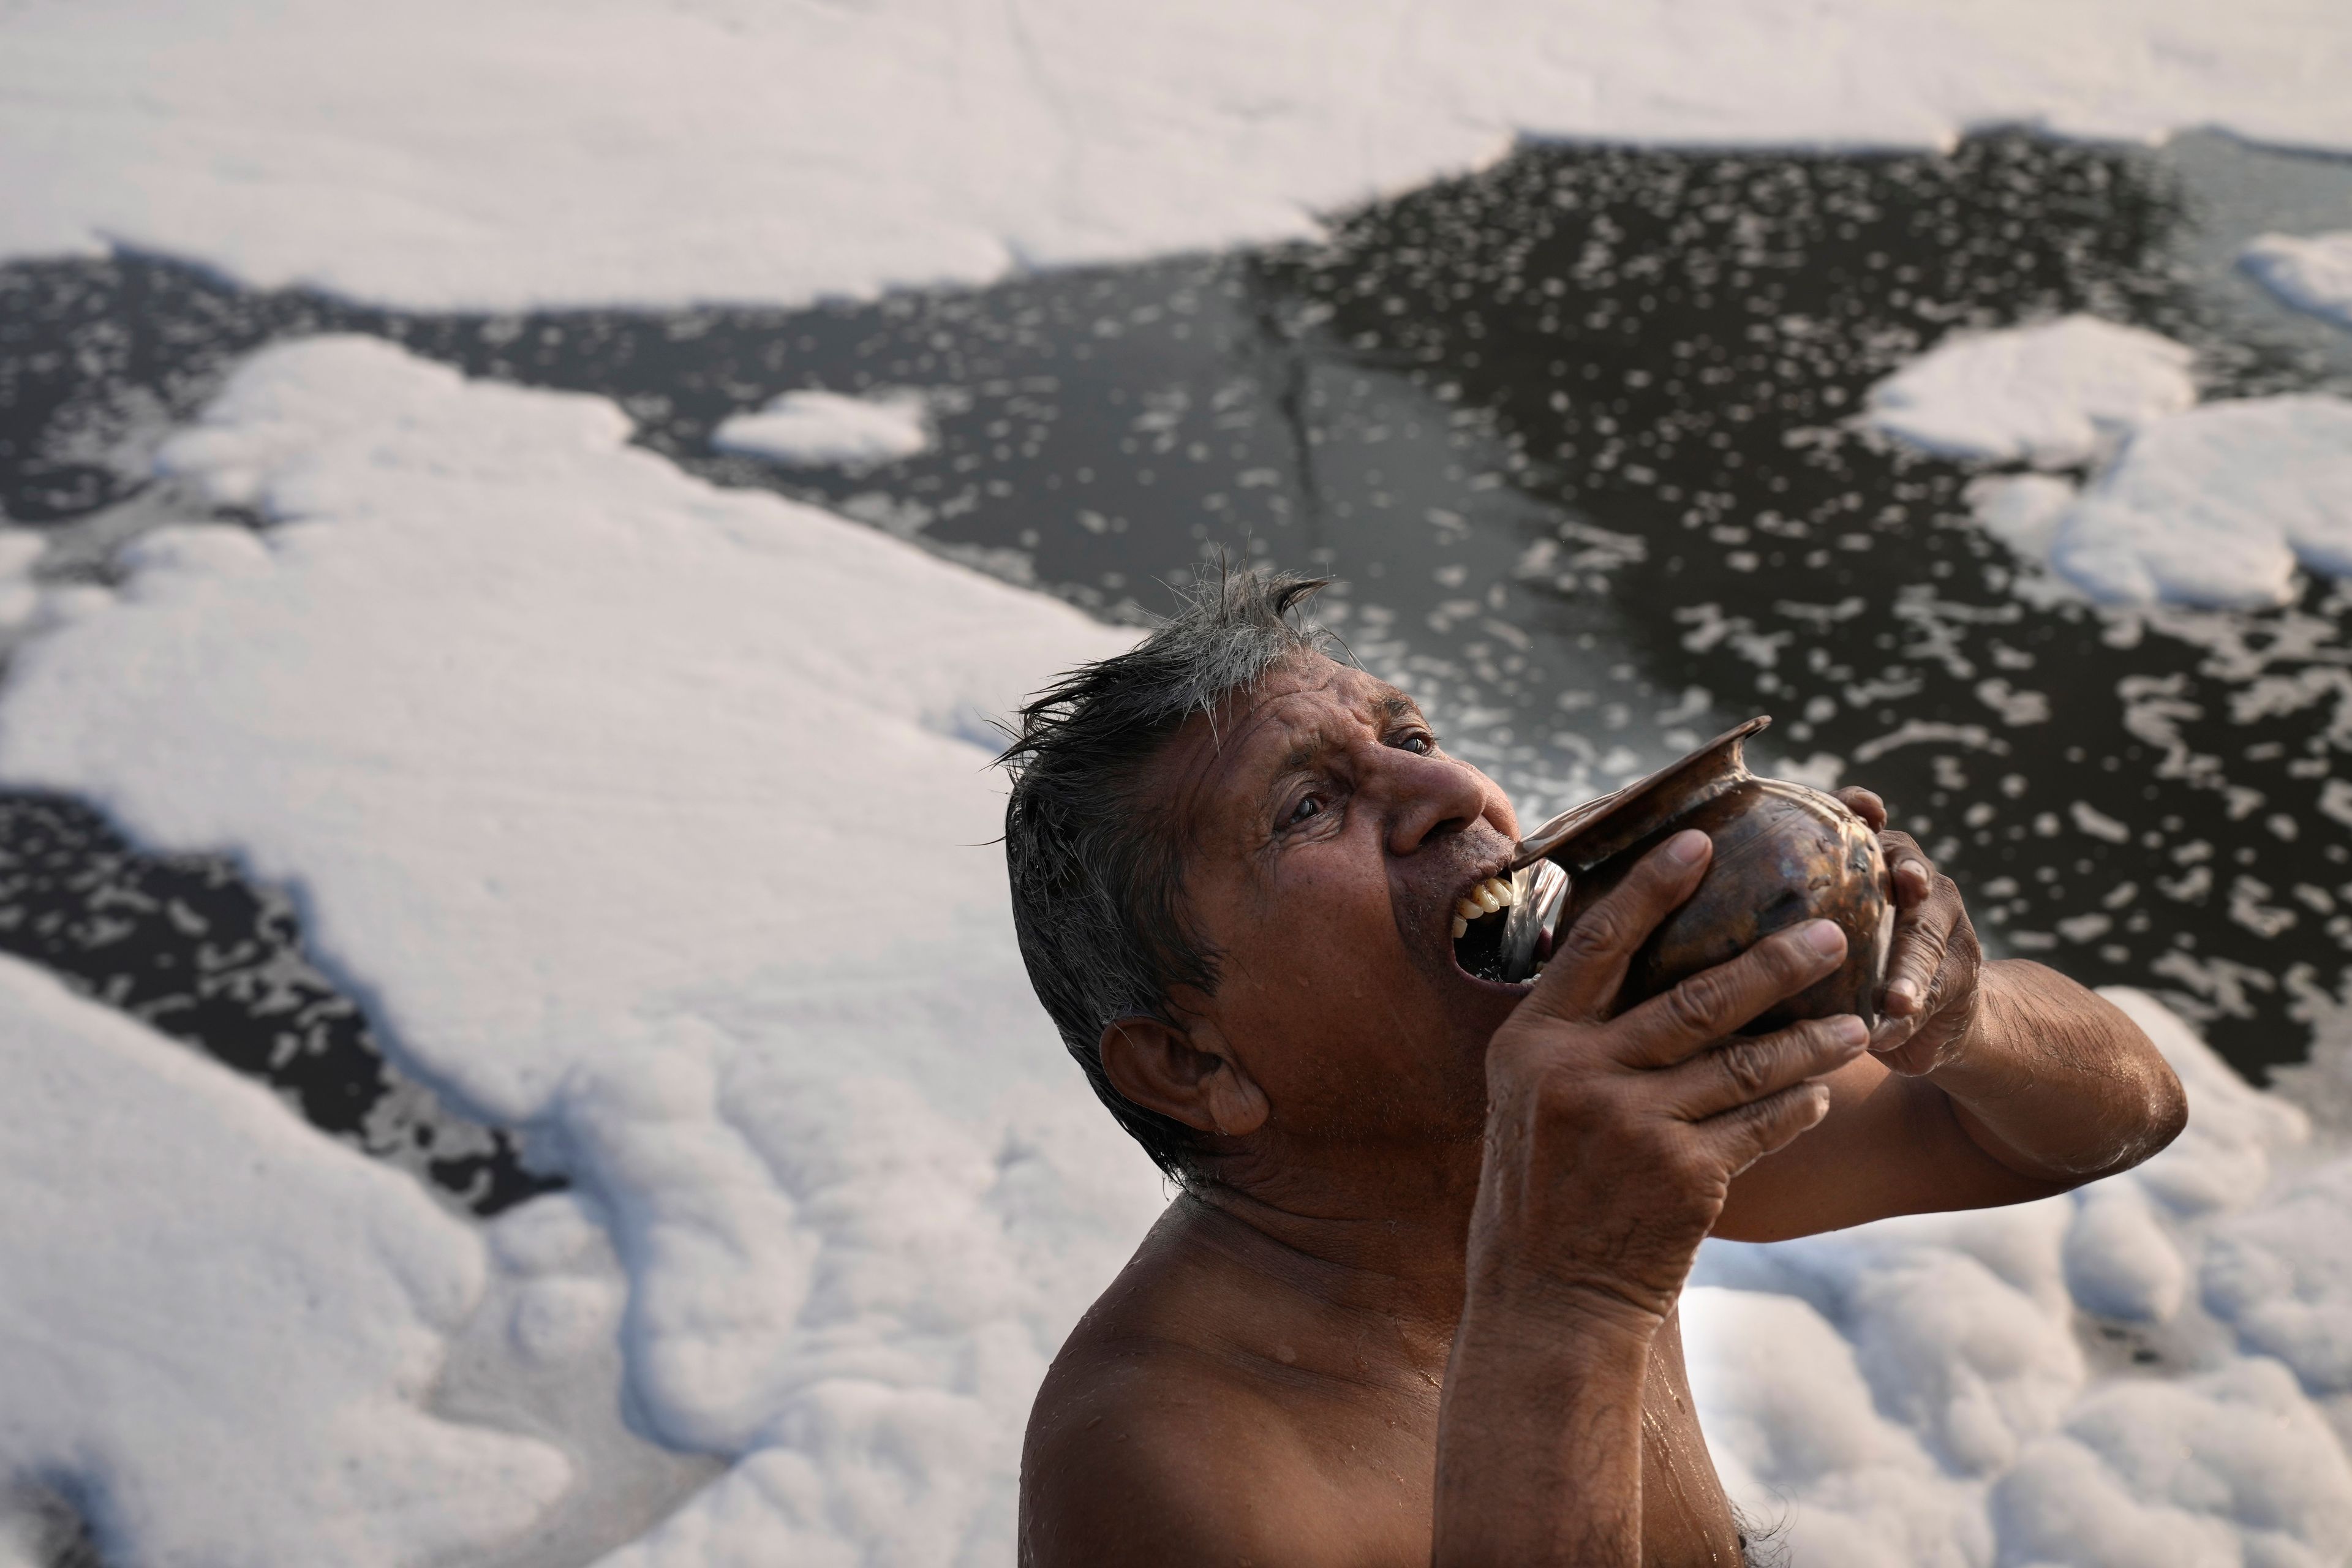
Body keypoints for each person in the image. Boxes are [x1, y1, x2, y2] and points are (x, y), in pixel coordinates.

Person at [998, 570, 2185, 1567]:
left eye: (1411, 736)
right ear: (1191, 1058)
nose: (1455, 792)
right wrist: (1567, 1295)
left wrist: (1955, 1016)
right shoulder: (1161, 1459)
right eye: (1310, 805)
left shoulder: (1560, 1124)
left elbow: (2122, 1113)